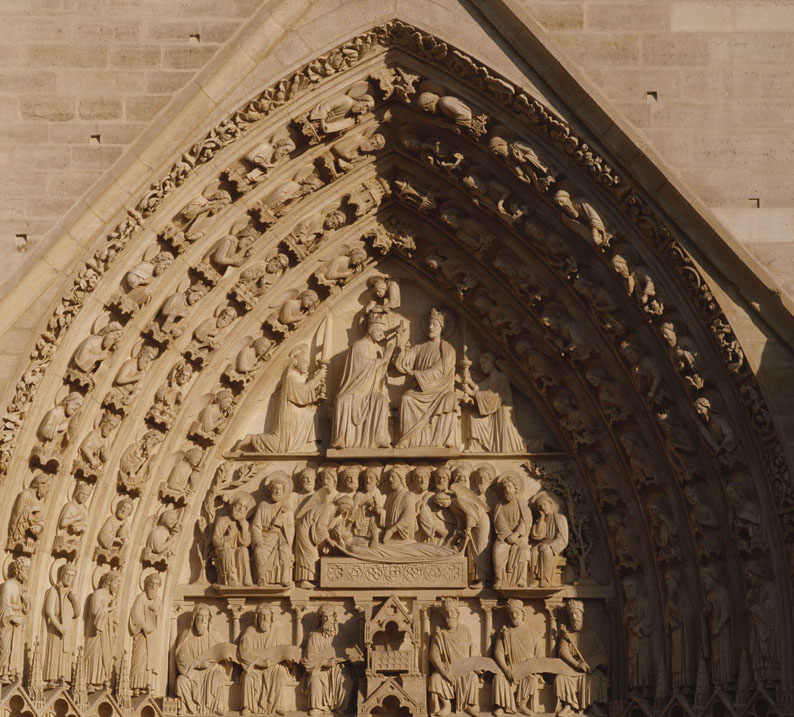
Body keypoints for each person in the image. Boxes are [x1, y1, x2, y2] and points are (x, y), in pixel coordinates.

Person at [241, 345, 326, 453]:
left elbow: (304, 395)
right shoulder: (291, 377)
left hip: (297, 414)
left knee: (315, 415)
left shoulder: (298, 377)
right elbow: (302, 395)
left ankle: (309, 445)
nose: (307, 366)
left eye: (308, 364)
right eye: (304, 363)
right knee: (281, 446)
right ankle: (253, 439)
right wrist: (317, 378)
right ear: (296, 362)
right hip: (289, 415)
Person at [394, 308, 458, 448]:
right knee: (407, 398)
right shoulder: (419, 347)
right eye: (429, 324)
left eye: (434, 324)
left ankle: (443, 441)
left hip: (440, 391)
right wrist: (400, 345)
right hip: (420, 391)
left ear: (441, 327)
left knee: (450, 398)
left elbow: (439, 371)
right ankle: (407, 440)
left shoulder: (448, 349)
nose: (430, 327)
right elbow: (403, 364)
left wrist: (415, 373)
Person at [331, 310, 395, 449]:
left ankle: (380, 439)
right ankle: (342, 440)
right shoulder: (358, 345)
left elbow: (380, 374)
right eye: (379, 330)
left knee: (381, 400)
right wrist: (384, 359)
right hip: (355, 390)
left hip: (370, 391)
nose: (382, 334)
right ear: (371, 329)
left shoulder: (377, 349)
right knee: (343, 400)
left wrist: (388, 356)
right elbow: (362, 368)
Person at [554, 601, 608, 717]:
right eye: (571, 615)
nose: (574, 618)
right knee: (560, 679)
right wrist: (577, 664)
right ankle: (569, 705)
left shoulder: (591, 633)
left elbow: (602, 654)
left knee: (596, 678)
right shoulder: (567, 634)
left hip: (589, 670)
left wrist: (593, 663)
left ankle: (593, 706)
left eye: (576, 614)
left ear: (582, 615)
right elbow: (563, 652)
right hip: (571, 668)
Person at [463, 352, 526, 453]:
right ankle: (476, 447)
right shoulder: (490, 379)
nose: (482, 366)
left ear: (492, 362)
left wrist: (471, 393)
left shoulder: (501, 377)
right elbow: (480, 388)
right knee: (473, 417)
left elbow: (492, 396)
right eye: (480, 364)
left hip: (501, 413)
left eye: (484, 363)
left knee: (507, 445)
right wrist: (470, 381)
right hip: (492, 412)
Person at [428, 598, 478, 717]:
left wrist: (475, 665)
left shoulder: (465, 631)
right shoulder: (440, 633)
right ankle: (446, 705)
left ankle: (467, 705)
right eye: (446, 612)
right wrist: (444, 671)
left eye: (451, 612)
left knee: (472, 676)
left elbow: (473, 649)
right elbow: (433, 655)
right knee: (435, 678)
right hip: (447, 669)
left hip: (464, 668)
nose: (449, 615)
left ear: (457, 613)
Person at [492, 599, 542, 717]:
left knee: (532, 680)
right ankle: (503, 706)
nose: (514, 616)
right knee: (498, 678)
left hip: (527, 670)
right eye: (511, 613)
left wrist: (532, 668)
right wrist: (506, 670)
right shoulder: (504, 632)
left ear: (523, 614)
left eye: (517, 613)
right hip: (510, 668)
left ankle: (521, 706)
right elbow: (498, 652)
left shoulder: (532, 633)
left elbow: (538, 655)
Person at [238, 603, 290, 717]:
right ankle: (247, 706)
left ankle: (277, 706)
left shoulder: (276, 632)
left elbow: (282, 651)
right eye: (262, 616)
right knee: (248, 676)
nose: (265, 619)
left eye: (267, 616)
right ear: (257, 617)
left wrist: (281, 659)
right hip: (255, 666)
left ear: (271, 617)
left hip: (272, 666)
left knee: (279, 673)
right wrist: (259, 662)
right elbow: (244, 652)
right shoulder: (250, 631)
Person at [175, 605, 228, 715]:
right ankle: (187, 706)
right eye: (200, 616)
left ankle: (215, 705)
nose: (203, 620)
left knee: (218, 674)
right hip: (192, 672)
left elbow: (224, 650)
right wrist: (198, 664)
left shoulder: (214, 636)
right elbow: (181, 658)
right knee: (180, 681)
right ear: (194, 618)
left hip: (210, 672)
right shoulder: (186, 635)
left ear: (209, 619)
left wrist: (226, 658)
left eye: (206, 617)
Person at [301, 604, 352, 717]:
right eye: (325, 617)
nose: (328, 620)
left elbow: (348, 653)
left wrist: (346, 659)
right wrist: (324, 663)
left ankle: (339, 708)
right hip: (320, 670)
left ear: (334, 618)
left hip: (337, 669)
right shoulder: (314, 636)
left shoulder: (341, 636)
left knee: (346, 679)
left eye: (330, 616)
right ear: (320, 619)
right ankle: (317, 707)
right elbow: (308, 660)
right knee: (315, 679)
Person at [251, 472, 294, 587]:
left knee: (285, 550)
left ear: (284, 491)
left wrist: (280, 524)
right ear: (270, 489)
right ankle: (262, 578)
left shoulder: (286, 507)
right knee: (259, 551)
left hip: (280, 539)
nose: (277, 491)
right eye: (275, 488)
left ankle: (284, 578)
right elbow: (256, 526)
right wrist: (258, 540)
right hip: (265, 538)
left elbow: (291, 527)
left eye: (280, 489)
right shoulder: (263, 505)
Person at [492, 473, 531, 589]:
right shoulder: (499, 505)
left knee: (523, 550)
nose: (506, 490)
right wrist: (508, 536)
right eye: (504, 488)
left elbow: (526, 521)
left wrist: (516, 534)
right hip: (504, 537)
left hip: (519, 536)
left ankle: (521, 580)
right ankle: (499, 580)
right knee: (497, 550)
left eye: (509, 487)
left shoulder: (522, 504)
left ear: (516, 488)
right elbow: (498, 522)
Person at [43, 562, 79, 686]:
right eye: (67, 574)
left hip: (68, 627)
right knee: (55, 651)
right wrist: (58, 626)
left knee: (66, 653)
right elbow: (49, 611)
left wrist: (74, 600)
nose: (70, 578)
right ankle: (52, 678)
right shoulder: (53, 590)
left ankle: (63, 677)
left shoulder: (71, 594)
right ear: (61, 575)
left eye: (72, 576)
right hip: (56, 628)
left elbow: (77, 613)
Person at [85, 569, 121, 690]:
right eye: (116, 583)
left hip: (108, 632)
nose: (118, 586)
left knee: (104, 656)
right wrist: (109, 609)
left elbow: (115, 618)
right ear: (109, 582)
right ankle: (90, 681)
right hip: (96, 632)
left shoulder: (112, 597)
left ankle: (100, 680)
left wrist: (115, 626)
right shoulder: (98, 594)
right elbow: (95, 611)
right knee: (95, 654)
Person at [129, 573, 162, 696]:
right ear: (146, 584)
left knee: (150, 661)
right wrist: (144, 626)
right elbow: (135, 614)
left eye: (156, 585)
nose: (153, 587)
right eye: (151, 584)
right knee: (139, 659)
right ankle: (135, 686)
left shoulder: (158, 601)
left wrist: (156, 614)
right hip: (142, 635)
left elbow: (160, 619)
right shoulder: (141, 597)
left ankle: (147, 686)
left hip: (152, 637)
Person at [528, 491, 569, 587]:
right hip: (541, 544)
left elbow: (563, 538)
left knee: (545, 551)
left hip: (553, 546)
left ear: (551, 505)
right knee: (533, 551)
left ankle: (545, 579)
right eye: (539, 506)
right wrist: (541, 519)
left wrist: (551, 545)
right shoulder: (540, 520)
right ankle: (535, 579)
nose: (542, 507)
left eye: (544, 504)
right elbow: (537, 535)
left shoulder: (560, 518)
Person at [212, 493, 254, 587]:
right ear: (233, 506)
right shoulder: (222, 520)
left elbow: (245, 543)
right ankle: (231, 578)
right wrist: (228, 537)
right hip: (223, 550)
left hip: (236, 550)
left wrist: (243, 527)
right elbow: (215, 540)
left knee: (243, 550)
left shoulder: (244, 524)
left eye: (244, 507)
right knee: (228, 551)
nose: (240, 508)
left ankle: (245, 579)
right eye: (239, 505)